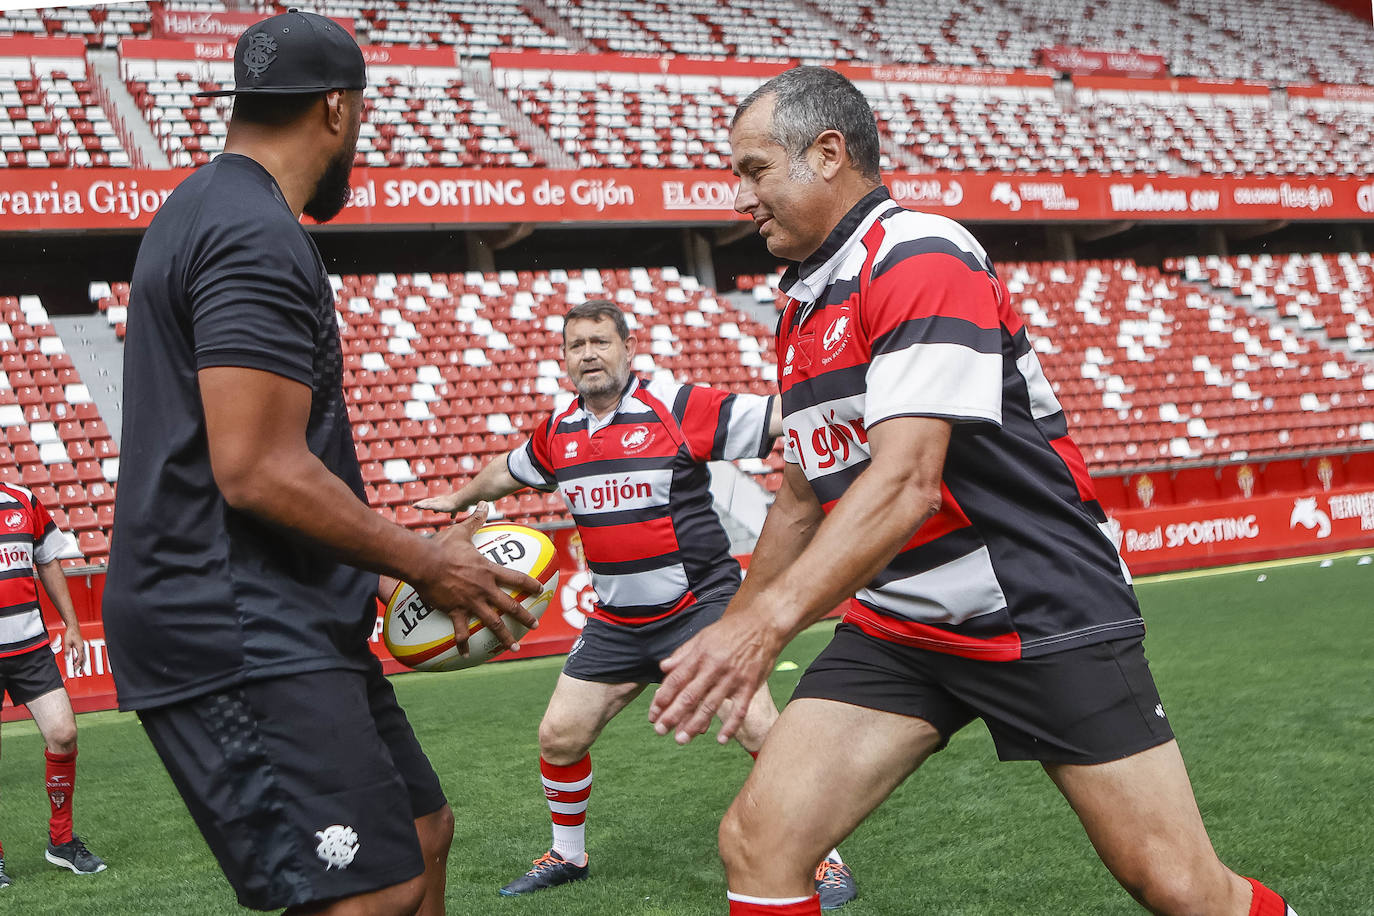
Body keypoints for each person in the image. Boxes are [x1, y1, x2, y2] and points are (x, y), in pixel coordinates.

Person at [647, 66, 1298, 916]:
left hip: (1035, 605)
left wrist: (767, 628)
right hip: (902, 621)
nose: (741, 197)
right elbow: (804, 497)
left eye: (754, 169)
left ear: (829, 152)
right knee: (759, 843)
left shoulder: (920, 253)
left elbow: (909, 480)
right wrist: (735, 628)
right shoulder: (803, 301)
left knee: (1177, 886)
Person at [102, 12, 539, 915]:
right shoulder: (253, 232)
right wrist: (425, 561)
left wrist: (375, 572)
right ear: (337, 109)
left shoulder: (203, 208)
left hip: (274, 604)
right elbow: (255, 469)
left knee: (423, 835)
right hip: (232, 620)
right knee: (366, 896)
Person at [415, 299, 857, 909]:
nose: (589, 354)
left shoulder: (676, 407)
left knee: (761, 728)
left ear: (627, 347)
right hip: (618, 623)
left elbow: (775, 416)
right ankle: (568, 855)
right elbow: (507, 473)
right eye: (576, 345)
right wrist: (457, 498)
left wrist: (859, 401)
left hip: (701, 609)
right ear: (564, 358)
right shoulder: (559, 432)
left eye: (600, 341)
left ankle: (824, 860)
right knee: (559, 737)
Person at [0, 483, 106, 887]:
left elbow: (47, 563)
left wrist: (73, 625)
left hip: (30, 648)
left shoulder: (23, 500)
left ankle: (61, 841)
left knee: (63, 733)